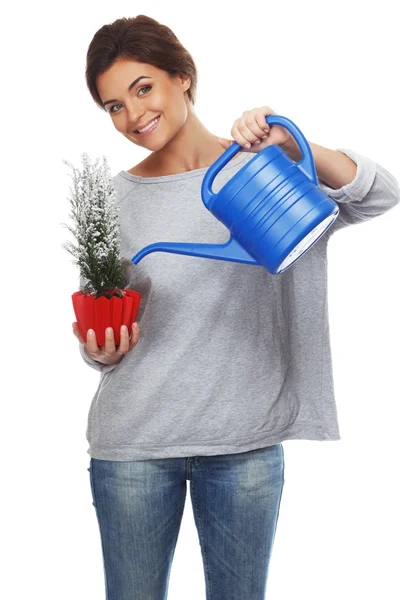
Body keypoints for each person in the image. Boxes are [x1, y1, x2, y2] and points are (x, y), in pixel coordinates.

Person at [72, 14, 400, 600]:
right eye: (113, 105)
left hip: (245, 443)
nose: (132, 115)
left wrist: (294, 142)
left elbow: (380, 194)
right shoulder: (112, 200)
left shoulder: (261, 172)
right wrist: (98, 350)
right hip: (135, 447)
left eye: (143, 87)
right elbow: (105, 317)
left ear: (184, 77)